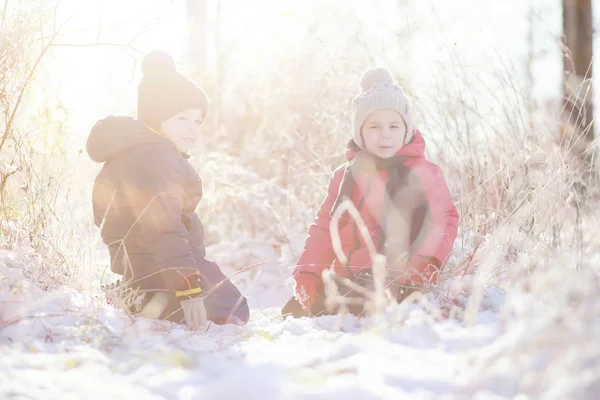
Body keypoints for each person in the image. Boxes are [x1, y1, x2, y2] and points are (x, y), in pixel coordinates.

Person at [87, 50, 249, 326]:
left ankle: (139, 290)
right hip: (159, 266)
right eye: (182, 118)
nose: (193, 129)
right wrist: (188, 288)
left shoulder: (139, 151)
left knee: (224, 297)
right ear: (156, 118)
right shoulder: (157, 157)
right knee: (234, 309)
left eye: (197, 121)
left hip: (142, 263)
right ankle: (143, 298)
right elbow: (163, 228)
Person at [282, 67, 459, 318]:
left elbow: (444, 220)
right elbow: (325, 226)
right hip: (352, 276)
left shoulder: (425, 173)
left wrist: (426, 265)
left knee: (367, 301)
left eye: (394, 126)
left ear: (406, 130)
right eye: (374, 126)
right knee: (296, 308)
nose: (385, 134)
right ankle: (333, 300)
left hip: (404, 276)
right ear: (360, 132)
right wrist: (309, 273)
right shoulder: (346, 175)